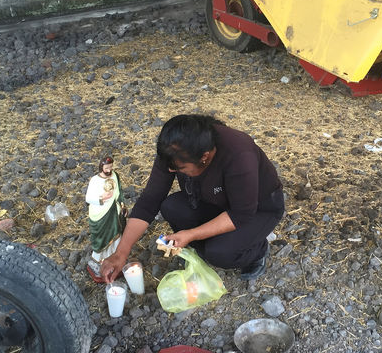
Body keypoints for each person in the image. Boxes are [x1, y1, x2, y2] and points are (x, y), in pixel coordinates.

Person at [100, 114, 284, 283]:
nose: (171, 171)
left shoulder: (238, 154)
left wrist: (191, 234)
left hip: (258, 208)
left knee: (219, 253)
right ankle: (213, 245)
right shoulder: (174, 149)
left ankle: (257, 250)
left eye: (180, 169)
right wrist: (121, 252)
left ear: (204, 157)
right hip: (215, 201)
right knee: (172, 207)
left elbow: (241, 213)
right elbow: (150, 200)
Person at [85, 156, 125, 282]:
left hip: (114, 211)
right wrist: (101, 198)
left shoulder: (115, 176)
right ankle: (99, 261)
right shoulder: (95, 181)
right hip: (100, 214)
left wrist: (122, 204)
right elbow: (88, 198)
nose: (109, 169)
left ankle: (114, 258)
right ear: (101, 167)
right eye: (107, 167)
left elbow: (119, 192)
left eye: (111, 167)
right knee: (101, 238)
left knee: (116, 235)